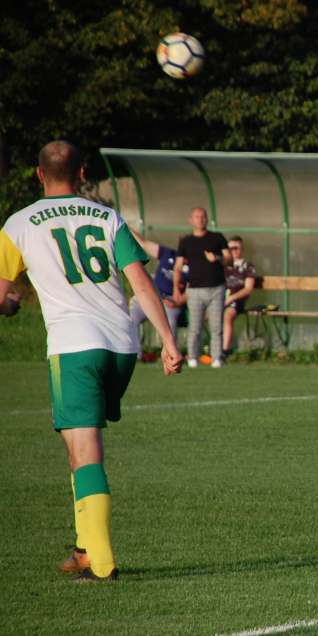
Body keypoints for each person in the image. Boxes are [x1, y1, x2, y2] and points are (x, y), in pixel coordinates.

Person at [0, 140, 183, 582]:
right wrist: (168, 339)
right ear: (82, 173)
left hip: (74, 346)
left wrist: (10, 305)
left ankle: (101, 565)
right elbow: (139, 282)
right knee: (76, 449)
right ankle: (84, 547)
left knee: (86, 454)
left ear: (39, 174)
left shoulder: (18, 224)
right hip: (120, 347)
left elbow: (2, 294)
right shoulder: (106, 216)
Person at [173, 207, 231, 368]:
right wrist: (176, 289)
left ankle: (217, 359)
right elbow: (178, 267)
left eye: (203, 216)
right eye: (197, 217)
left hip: (216, 288)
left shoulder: (217, 238)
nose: (200, 219)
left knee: (216, 326)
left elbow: (229, 259)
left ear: (207, 219)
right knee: (195, 327)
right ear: (190, 220)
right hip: (195, 290)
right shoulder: (186, 242)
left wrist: (217, 258)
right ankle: (192, 358)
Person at [128, 226, 188, 344]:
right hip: (152, 295)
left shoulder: (195, 265)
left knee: (170, 322)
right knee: (131, 319)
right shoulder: (168, 254)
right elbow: (143, 243)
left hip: (171, 303)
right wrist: (124, 225)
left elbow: (190, 292)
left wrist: (176, 302)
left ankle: (170, 354)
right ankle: (136, 354)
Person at [222, 236, 257, 358]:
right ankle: (199, 351)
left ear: (241, 249)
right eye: (230, 248)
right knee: (202, 314)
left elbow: (248, 289)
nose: (233, 251)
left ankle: (224, 351)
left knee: (227, 315)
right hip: (220, 299)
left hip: (236, 301)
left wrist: (231, 298)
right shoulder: (223, 265)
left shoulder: (247, 266)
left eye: (236, 248)